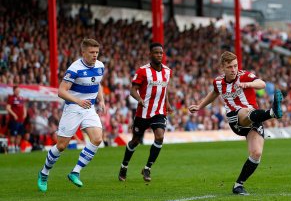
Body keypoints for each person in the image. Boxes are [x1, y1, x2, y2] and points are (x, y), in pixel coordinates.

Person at [188, 51, 284, 196]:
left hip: (254, 118)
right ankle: (272, 113)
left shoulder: (244, 75)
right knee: (244, 111)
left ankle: (238, 185)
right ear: (222, 68)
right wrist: (200, 106)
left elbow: (262, 84)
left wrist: (247, 84)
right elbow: (214, 93)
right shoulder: (219, 82)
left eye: (235, 66)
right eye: (230, 67)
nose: (233, 70)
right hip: (236, 119)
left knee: (256, 153)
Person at [37, 38, 105, 192]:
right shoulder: (74, 68)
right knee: (61, 146)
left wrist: (101, 100)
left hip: (89, 109)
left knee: (97, 139)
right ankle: (44, 173)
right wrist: (78, 101)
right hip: (73, 109)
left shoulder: (100, 66)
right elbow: (61, 91)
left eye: (97, 52)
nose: (95, 55)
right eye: (92, 52)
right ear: (83, 52)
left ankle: (75, 172)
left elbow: (97, 83)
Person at [118, 43, 173, 182]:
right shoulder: (142, 71)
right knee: (135, 141)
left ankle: (147, 168)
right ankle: (124, 166)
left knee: (159, 137)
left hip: (159, 111)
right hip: (143, 112)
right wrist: (139, 99)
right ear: (150, 54)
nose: (159, 55)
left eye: (161, 53)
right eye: (156, 52)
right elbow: (132, 89)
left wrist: (167, 103)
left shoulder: (167, 71)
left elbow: (164, 89)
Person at [6, 85, 26, 153]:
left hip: (21, 120)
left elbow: (24, 107)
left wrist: (25, 114)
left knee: (19, 134)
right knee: (13, 134)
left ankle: (17, 147)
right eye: (16, 90)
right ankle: (12, 147)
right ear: (14, 91)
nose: (18, 91)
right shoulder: (11, 98)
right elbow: (8, 108)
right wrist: (14, 115)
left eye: (18, 90)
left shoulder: (21, 98)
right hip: (14, 120)